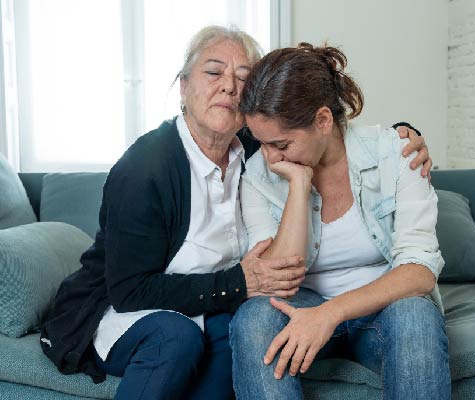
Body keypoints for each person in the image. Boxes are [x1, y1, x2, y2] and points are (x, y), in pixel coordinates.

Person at [40, 26, 432, 399]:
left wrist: (406, 133)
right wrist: (242, 281)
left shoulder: (253, 148)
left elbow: (317, 126)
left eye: (242, 77)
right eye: (213, 71)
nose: (228, 85)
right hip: (146, 307)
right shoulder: (150, 168)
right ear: (183, 86)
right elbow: (131, 290)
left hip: (223, 306)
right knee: (209, 330)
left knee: (234, 328)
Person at [231, 43, 450, 399]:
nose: (270, 157)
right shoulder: (259, 175)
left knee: (416, 317)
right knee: (254, 319)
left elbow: (419, 270)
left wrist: (330, 314)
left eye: (281, 144)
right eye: (262, 143)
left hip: (383, 309)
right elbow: (274, 282)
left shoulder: (395, 153)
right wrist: (299, 186)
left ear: (322, 120)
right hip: (302, 305)